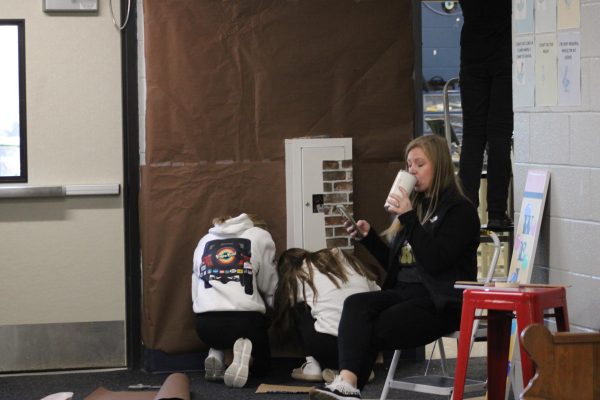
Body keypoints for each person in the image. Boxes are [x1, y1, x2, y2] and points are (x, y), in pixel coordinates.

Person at [309, 135, 480, 400]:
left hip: (440, 299)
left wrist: (408, 217)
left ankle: (349, 388)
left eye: (419, 164)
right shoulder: (417, 205)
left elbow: (435, 261)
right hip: (406, 292)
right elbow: (399, 263)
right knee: (355, 304)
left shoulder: (459, 210)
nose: (412, 170)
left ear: (440, 166)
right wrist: (369, 239)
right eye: (409, 165)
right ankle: (347, 384)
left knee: (372, 328)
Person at [191, 213, 277, 388]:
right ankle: (245, 360)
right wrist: (274, 303)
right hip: (245, 322)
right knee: (263, 366)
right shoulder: (260, 236)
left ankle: (216, 354)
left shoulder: (204, 240)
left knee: (220, 338)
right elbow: (268, 284)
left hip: (204, 324)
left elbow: (195, 288)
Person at [272, 247, 380, 383]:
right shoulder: (349, 263)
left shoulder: (299, 272)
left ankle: (314, 367)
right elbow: (378, 292)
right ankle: (359, 370)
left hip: (328, 347)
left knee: (299, 307)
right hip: (365, 350)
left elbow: (283, 303)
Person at [457, 0, 513, 229]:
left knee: (472, 138)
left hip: (472, 55)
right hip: (503, 55)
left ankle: (464, 213)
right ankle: (497, 214)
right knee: (499, 137)